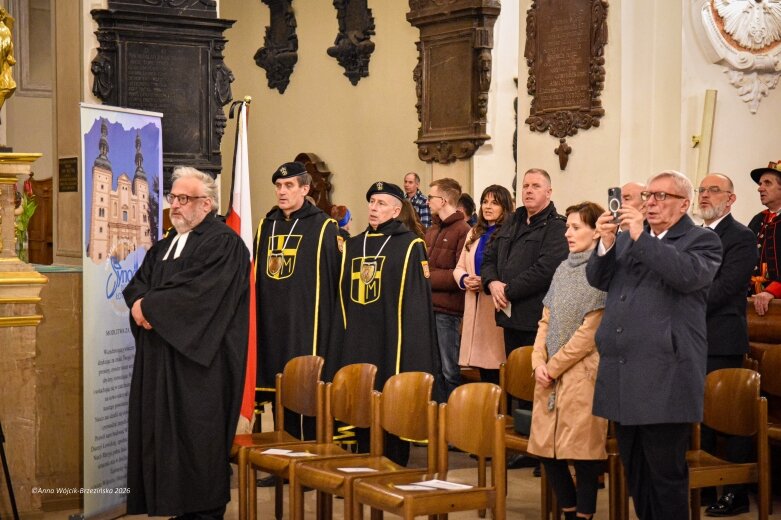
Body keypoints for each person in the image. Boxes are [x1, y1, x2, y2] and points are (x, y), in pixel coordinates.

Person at [586, 170, 722, 520]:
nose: (652, 203)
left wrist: (638, 237)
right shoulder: (633, 240)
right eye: (649, 196)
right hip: (624, 371)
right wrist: (605, 242)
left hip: (666, 375)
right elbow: (599, 280)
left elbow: (685, 275)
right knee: (637, 473)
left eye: (662, 196)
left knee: (665, 475)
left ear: (684, 204)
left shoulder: (701, 240)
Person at [123, 166, 250, 519]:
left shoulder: (224, 243)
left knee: (198, 444)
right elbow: (139, 285)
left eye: (184, 199)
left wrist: (149, 307)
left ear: (206, 204)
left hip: (199, 368)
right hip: (162, 361)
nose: (174, 206)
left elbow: (197, 295)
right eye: (173, 198)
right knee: (165, 442)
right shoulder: (165, 246)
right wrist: (138, 304)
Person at [333, 181, 438, 464]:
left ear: (395, 210)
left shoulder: (410, 246)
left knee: (391, 398)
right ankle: (363, 462)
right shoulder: (353, 246)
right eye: (371, 202)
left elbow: (416, 304)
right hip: (358, 337)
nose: (373, 208)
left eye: (381, 203)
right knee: (361, 399)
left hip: (393, 339)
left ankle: (393, 461)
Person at [528, 202, 608, 520]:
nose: (568, 233)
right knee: (547, 451)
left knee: (582, 453)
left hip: (584, 371)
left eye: (576, 227)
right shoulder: (563, 268)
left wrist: (554, 365)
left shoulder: (601, 269)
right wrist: (538, 361)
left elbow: (590, 332)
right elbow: (545, 320)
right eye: (567, 226)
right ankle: (569, 510)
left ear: (595, 231)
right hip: (549, 372)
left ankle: (583, 516)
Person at [254, 161, 341, 444]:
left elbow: (332, 282)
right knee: (279, 387)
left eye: (289, 186)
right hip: (271, 323)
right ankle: (284, 459)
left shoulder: (323, 226)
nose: (282, 191)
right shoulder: (266, 225)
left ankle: (307, 460)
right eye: (278, 186)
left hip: (306, 324)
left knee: (304, 389)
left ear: (304, 189)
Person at [697, 173, 757, 517]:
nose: (705, 195)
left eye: (713, 190)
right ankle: (704, 487)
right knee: (699, 417)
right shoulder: (695, 235)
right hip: (693, 337)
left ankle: (736, 493)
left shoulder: (740, 236)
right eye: (702, 190)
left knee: (729, 417)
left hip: (721, 338)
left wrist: (682, 301)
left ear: (731, 199)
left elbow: (725, 288)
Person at [481, 168, 568, 358]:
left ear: (549, 192)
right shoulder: (511, 221)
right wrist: (492, 283)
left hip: (536, 318)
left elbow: (545, 270)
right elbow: (489, 258)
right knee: (514, 378)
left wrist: (506, 290)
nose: (529, 190)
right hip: (509, 316)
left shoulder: (556, 227)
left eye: (536, 186)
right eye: (525, 186)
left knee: (534, 379)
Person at [453, 185, 515, 385]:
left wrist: (486, 281)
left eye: (494, 203)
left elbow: (510, 269)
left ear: (505, 207)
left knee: (496, 363)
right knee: (479, 366)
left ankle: (499, 411)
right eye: (485, 202)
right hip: (474, 301)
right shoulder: (474, 232)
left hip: (495, 302)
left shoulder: (509, 233)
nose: (488, 207)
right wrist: (465, 279)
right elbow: (459, 267)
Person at [425, 178, 471, 399]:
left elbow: (458, 274)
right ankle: (436, 416)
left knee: (449, 369)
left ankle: (452, 416)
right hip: (428, 306)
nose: (427, 202)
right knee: (432, 367)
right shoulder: (432, 230)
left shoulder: (463, 230)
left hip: (448, 310)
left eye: (430, 197)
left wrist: (425, 278)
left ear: (442, 200)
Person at [748, 161, 781, 316]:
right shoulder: (758, 219)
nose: (760, 188)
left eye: (767, 183)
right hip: (751, 301)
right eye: (761, 184)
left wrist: (772, 291)